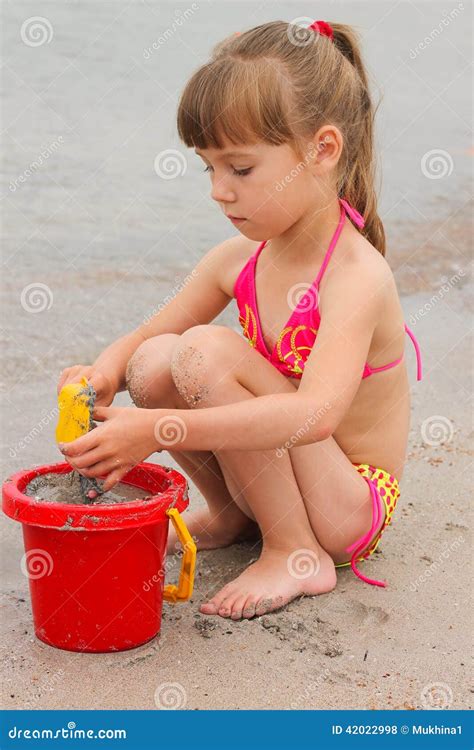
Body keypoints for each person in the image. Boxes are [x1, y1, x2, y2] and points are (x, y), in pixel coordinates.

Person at [57, 19, 422, 620]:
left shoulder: (357, 277)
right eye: (209, 168)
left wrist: (157, 431)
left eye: (241, 169)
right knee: (154, 362)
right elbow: (148, 336)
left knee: (204, 350)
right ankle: (232, 513)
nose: (218, 192)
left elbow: (315, 413)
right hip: (286, 480)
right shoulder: (238, 262)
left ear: (322, 149)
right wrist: (100, 376)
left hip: (345, 505)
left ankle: (293, 551)